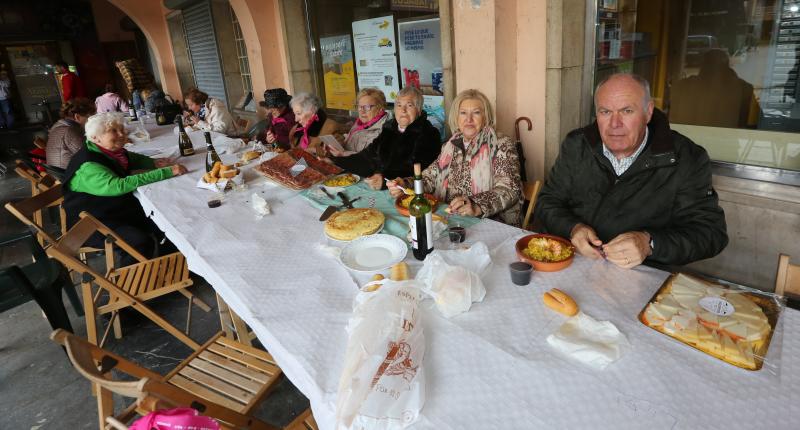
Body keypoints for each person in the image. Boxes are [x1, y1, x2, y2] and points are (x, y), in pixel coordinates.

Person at [534, 73, 728, 268]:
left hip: (640, 276)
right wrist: (573, 228)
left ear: (648, 112)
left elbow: (710, 233)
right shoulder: (577, 145)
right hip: (575, 263)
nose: (615, 124)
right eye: (605, 112)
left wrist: (650, 243)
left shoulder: (686, 158)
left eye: (626, 111)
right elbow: (547, 202)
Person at [388, 89, 523, 226]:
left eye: (476, 113)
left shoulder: (500, 144)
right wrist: (405, 184)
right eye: (463, 113)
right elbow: (430, 178)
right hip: (452, 219)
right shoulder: (450, 145)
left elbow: (509, 189)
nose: (468, 119)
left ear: (486, 117)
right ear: (456, 117)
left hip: (490, 223)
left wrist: (476, 205)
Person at [62, 112, 187, 258]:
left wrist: (153, 163)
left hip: (114, 211)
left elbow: (132, 159)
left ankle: (172, 259)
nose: (122, 134)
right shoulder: (88, 166)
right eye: (113, 131)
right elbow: (118, 186)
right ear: (95, 137)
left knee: (166, 217)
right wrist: (166, 172)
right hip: (94, 224)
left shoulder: (111, 152)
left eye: (121, 128)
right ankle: (139, 275)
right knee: (139, 240)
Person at [329, 86, 440, 190]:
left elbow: (419, 170)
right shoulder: (389, 129)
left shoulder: (429, 134)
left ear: (419, 110)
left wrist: (385, 179)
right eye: (399, 105)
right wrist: (335, 161)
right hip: (383, 188)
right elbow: (367, 157)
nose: (403, 110)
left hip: (407, 193)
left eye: (409, 105)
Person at [46, 97, 96, 169]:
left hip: (59, 172)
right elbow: (88, 155)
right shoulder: (69, 131)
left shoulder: (60, 126)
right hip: (66, 175)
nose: (93, 120)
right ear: (77, 117)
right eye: (90, 117)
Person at [341, 88, 390, 155]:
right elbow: (356, 139)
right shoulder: (361, 123)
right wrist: (340, 140)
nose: (362, 111)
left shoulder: (383, 132)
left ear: (380, 109)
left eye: (367, 107)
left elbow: (370, 160)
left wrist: (343, 153)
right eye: (360, 107)